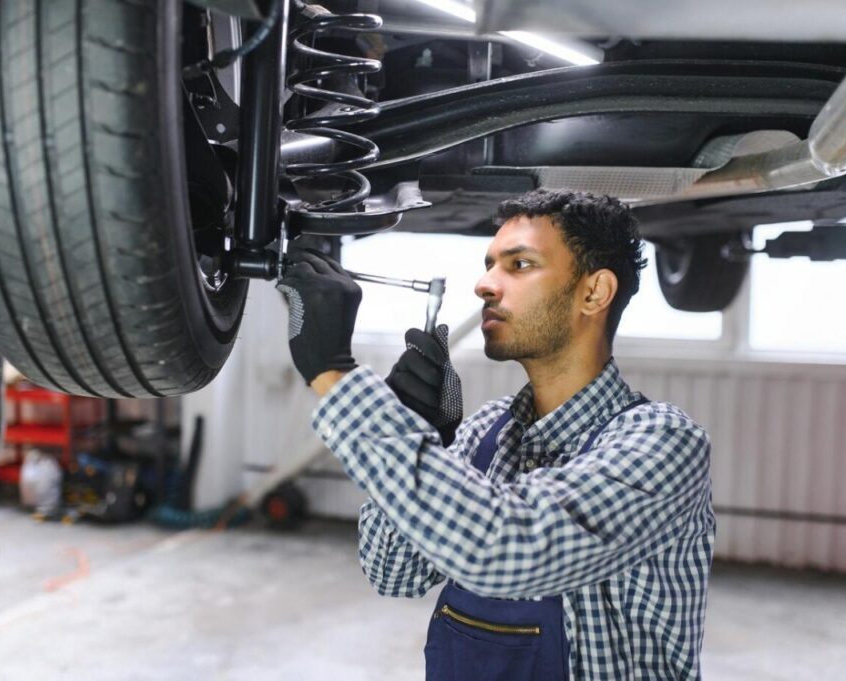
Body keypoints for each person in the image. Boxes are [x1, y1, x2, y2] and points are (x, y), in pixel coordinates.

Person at [276, 189, 715, 681]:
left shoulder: (662, 443)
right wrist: (428, 436)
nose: (485, 285)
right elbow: (392, 572)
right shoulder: (488, 430)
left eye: (519, 265)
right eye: (489, 265)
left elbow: (504, 547)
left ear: (594, 293)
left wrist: (335, 377)